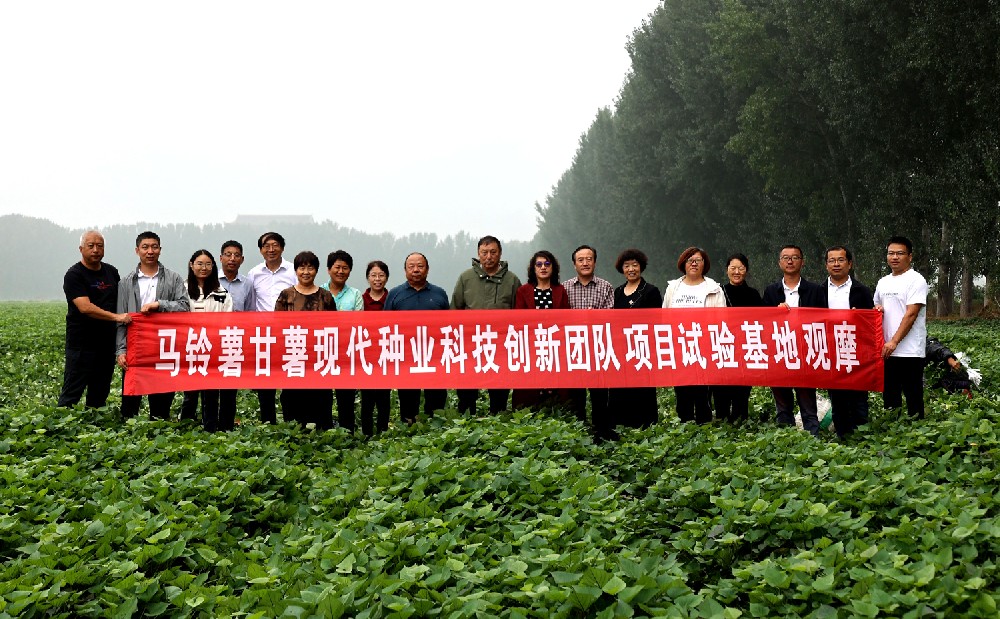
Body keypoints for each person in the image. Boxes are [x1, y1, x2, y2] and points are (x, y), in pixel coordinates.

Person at [116, 231, 191, 420]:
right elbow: (121, 319)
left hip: (164, 347)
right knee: (130, 405)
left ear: (160, 250)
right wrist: (121, 350)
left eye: (154, 247)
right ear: (137, 250)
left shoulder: (173, 278)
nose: (150, 251)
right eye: (145, 247)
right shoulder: (126, 282)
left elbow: (184, 306)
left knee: (161, 408)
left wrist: (160, 305)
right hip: (135, 348)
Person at [57, 230, 131, 408]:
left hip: (106, 344)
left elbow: (121, 300)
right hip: (81, 345)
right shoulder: (74, 275)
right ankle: (61, 424)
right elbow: (85, 307)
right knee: (72, 393)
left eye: (100, 246)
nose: (96, 250)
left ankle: (94, 423)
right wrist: (116, 317)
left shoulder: (111, 272)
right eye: (91, 246)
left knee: (100, 392)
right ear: (81, 249)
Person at [451, 235, 522, 415]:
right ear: (478, 254)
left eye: (493, 252)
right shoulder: (466, 278)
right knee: (467, 388)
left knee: (499, 389)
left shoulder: (512, 280)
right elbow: (455, 310)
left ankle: (497, 419)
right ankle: (466, 419)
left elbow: (519, 313)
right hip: (470, 343)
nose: (488, 257)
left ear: (500, 254)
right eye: (484, 253)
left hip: (501, 344)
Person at [761, 244, 827, 435]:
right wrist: (775, 313)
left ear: (802, 262)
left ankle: (813, 440)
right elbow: (763, 322)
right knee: (782, 405)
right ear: (779, 263)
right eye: (786, 258)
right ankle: (786, 440)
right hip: (779, 353)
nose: (790, 261)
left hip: (805, 353)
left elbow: (824, 320)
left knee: (808, 403)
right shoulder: (771, 291)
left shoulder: (815, 290)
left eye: (795, 257)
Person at [384, 252, 450, 424]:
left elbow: (448, 325)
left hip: (434, 356)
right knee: (408, 399)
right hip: (406, 356)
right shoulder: (395, 294)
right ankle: (409, 429)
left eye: (420, 266)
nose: (416, 270)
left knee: (436, 399)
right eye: (411, 266)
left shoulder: (439, 293)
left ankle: (435, 429)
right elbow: (386, 326)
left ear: (427, 269)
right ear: (405, 270)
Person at [662, 247, 725, 424]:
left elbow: (721, 318)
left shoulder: (714, 288)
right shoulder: (673, 288)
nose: (694, 263)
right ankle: (685, 424)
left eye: (698, 260)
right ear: (683, 264)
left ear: (705, 264)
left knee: (702, 390)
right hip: (679, 346)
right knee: (682, 390)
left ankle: (704, 424)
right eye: (690, 260)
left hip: (704, 346)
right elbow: (664, 316)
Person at [274, 251, 337, 428]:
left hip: (318, 357)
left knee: (320, 397)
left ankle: (322, 431)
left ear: (316, 270)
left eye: (310, 268)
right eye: (302, 268)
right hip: (293, 355)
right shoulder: (286, 295)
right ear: (296, 270)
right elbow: (277, 326)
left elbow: (334, 327)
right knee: (293, 397)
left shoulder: (325, 296)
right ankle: (295, 430)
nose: (306, 272)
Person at [563, 245, 614, 437]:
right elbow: (560, 318)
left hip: (598, 347)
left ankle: (601, 432)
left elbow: (611, 317)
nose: (585, 263)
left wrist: (595, 317)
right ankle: (579, 433)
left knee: (600, 394)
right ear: (574, 264)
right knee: (575, 395)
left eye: (589, 259)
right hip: (573, 349)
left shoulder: (606, 286)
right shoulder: (565, 288)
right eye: (581, 260)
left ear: (595, 262)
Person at [874, 235, 928, 418]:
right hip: (887, 350)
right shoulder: (883, 282)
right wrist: (877, 309)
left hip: (910, 351)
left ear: (909, 256)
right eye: (891, 253)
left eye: (900, 253)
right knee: (890, 397)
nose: (894, 257)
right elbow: (877, 306)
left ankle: (917, 430)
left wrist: (894, 341)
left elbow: (911, 314)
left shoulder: (916, 280)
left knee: (913, 396)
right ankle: (893, 430)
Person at [608, 249, 663, 429]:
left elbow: (656, 322)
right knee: (620, 390)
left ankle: (645, 427)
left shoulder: (651, 291)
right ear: (622, 269)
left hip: (642, 349)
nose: (631, 269)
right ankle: (620, 426)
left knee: (642, 390)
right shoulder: (616, 293)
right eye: (627, 266)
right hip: (620, 349)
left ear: (641, 267)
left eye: (634, 265)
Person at [179, 250, 233, 431]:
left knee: (211, 390)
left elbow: (228, 320)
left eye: (208, 264)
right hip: (190, 347)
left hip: (214, 347)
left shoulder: (221, 292)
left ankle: (210, 427)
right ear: (191, 264)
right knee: (190, 391)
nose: (204, 268)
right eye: (200, 264)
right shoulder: (182, 289)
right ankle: (186, 425)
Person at [823, 245, 874, 437]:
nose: (836, 264)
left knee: (859, 396)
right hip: (830, 351)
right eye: (832, 260)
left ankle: (862, 435)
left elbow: (870, 323)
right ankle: (843, 435)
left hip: (855, 350)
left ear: (850, 264)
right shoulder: (818, 291)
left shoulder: (862, 291)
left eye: (841, 260)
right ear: (826, 265)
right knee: (837, 397)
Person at [247, 232, 297, 424]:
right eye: (266, 246)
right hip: (264, 335)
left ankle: (291, 422)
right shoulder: (254, 273)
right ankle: (268, 422)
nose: (271, 249)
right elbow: (252, 305)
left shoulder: (292, 271)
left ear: (282, 248)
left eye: (275, 245)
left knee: (289, 379)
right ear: (260, 250)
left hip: (288, 334)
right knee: (265, 381)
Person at [512, 250, 570, 410]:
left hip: (555, 345)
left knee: (555, 381)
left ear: (553, 267)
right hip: (531, 345)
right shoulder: (523, 291)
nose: (543, 267)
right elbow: (518, 319)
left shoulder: (560, 290)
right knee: (530, 384)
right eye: (539, 264)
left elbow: (566, 318)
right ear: (533, 268)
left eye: (547, 264)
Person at [712, 253, 762, 422]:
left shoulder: (753, 295)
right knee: (721, 392)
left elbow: (763, 320)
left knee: (741, 394)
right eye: (733, 268)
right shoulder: (718, 293)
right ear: (727, 270)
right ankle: (722, 422)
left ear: (746, 270)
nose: (736, 272)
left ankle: (740, 424)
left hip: (744, 350)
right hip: (722, 349)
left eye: (740, 268)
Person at [322, 249, 364, 432]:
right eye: (337, 267)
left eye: (345, 268)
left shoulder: (355, 294)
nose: (340, 271)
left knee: (346, 395)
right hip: (322, 351)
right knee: (322, 394)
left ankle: (348, 432)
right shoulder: (318, 292)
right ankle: (323, 428)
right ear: (328, 269)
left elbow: (358, 323)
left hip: (346, 351)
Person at [217, 240, 256, 429]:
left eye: (236, 255)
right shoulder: (211, 280)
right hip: (212, 339)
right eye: (228, 254)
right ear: (221, 258)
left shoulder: (247, 284)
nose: (232, 259)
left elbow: (250, 314)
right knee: (207, 384)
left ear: (242, 259)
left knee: (230, 385)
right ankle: (208, 423)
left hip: (234, 340)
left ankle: (226, 425)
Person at [360, 260, 392, 436]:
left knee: (384, 396)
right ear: (367, 278)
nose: (377, 279)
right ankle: (366, 433)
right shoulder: (361, 300)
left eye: (381, 275)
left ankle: (383, 432)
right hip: (366, 354)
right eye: (373, 275)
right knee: (367, 397)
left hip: (386, 353)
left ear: (386, 278)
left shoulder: (392, 299)